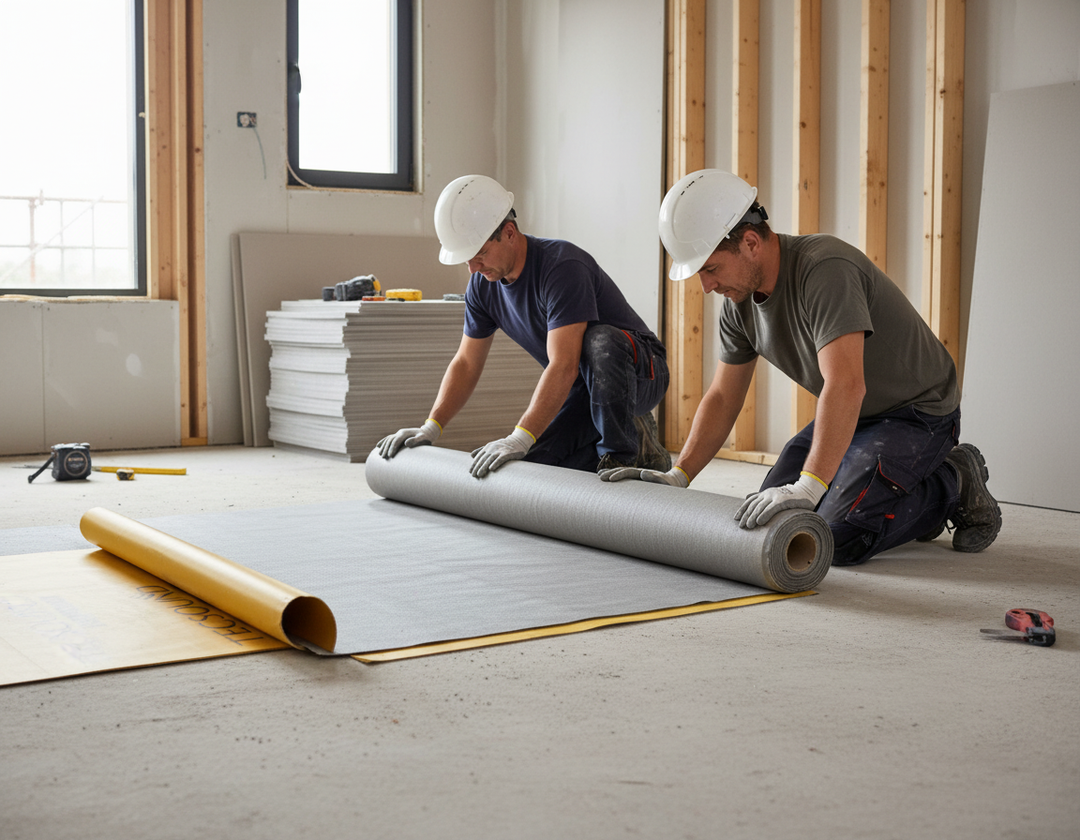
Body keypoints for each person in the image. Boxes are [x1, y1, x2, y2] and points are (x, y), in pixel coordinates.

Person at [602, 168, 1001, 566]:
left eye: (710, 268)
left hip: (918, 413)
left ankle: (954, 479)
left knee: (831, 536)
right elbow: (724, 396)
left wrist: (810, 487)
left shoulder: (825, 269)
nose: (707, 287)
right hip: (858, 415)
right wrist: (679, 475)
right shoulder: (739, 305)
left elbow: (845, 384)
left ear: (751, 242)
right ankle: (902, 493)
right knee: (769, 521)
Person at [378, 174, 670, 478]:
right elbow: (466, 363)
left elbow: (563, 365)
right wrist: (431, 426)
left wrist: (519, 436)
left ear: (508, 233)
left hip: (641, 371)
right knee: (532, 468)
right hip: (584, 386)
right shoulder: (482, 286)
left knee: (599, 341)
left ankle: (620, 454)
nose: (473, 268)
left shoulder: (562, 267)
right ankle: (644, 446)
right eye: (467, 260)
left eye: (479, 255)